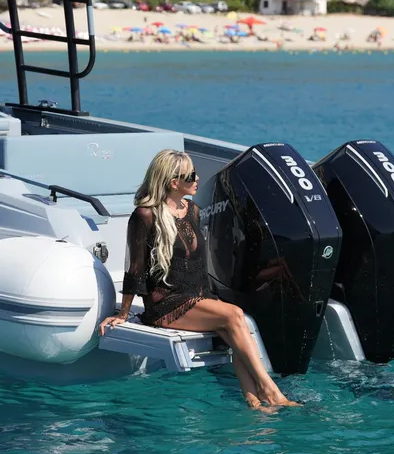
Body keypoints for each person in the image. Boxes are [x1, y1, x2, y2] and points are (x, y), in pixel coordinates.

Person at [99, 150, 299, 410]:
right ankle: (270, 390)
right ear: (173, 183)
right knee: (234, 316)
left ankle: (253, 401)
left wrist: (210, 297)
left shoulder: (192, 210)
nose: (197, 178)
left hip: (197, 295)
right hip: (166, 303)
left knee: (235, 326)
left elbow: (197, 263)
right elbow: (135, 268)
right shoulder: (145, 215)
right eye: (191, 175)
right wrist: (124, 312)